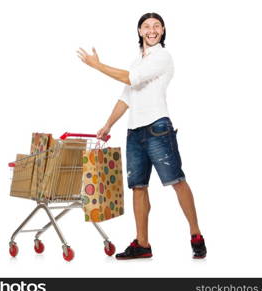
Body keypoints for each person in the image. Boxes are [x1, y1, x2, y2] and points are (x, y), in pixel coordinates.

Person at [77, 12, 206, 259]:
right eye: (146, 26)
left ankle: (196, 234)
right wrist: (108, 125)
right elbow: (127, 96)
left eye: (156, 26)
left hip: (158, 128)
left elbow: (130, 78)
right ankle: (142, 244)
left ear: (163, 30)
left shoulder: (163, 57)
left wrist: (97, 66)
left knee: (177, 181)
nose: (152, 29)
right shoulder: (137, 61)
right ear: (139, 31)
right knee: (138, 186)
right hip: (134, 132)